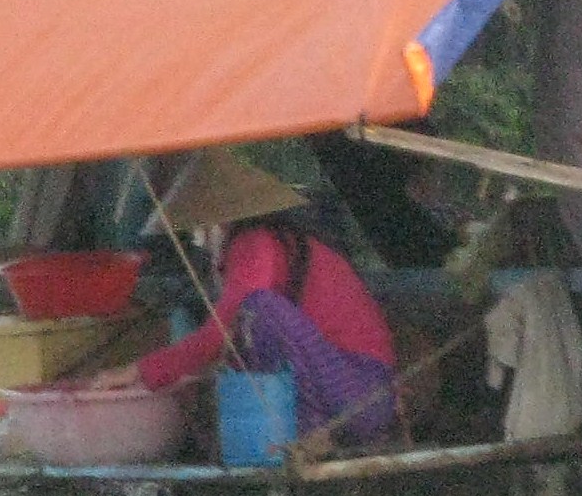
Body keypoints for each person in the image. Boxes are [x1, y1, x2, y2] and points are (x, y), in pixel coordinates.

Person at [83, 151, 402, 446]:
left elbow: (223, 330)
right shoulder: (267, 244)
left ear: (217, 220)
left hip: (359, 392)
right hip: (356, 393)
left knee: (259, 309)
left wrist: (139, 371)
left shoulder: (256, 245)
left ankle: (309, 435)